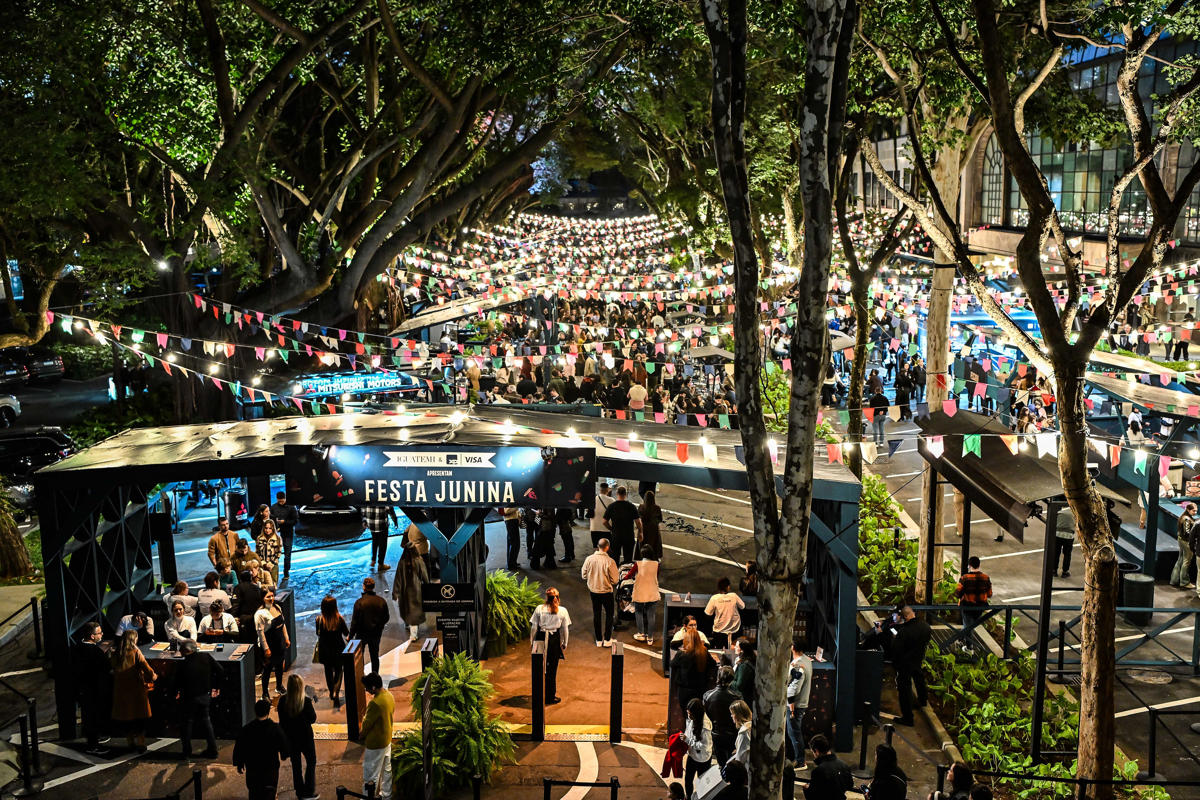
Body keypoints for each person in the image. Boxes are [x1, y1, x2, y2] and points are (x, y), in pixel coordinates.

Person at [173, 639, 222, 759]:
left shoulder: (182, 664)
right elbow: (220, 670)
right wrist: (216, 686)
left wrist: (175, 693)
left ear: (186, 651)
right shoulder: (206, 657)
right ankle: (213, 750)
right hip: (204, 695)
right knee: (206, 722)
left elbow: (176, 682)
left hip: (188, 698)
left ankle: (186, 752)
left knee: (186, 724)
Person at [232, 698, 290, 800]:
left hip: (253, 768)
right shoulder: (275, 728)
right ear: (268, 712)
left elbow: (239, 748)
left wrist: (239, 763)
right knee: (269, 792)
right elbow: (284, 745)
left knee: (254, 792)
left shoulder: (247, 729)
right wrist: (284, 755)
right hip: (270, 769)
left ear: (255, 712)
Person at [110, 630, 156, 752]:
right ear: (134, 639)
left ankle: (130, 741)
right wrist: (153, 676)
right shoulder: (135, 652)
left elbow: (113, 668)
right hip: (136, 689)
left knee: (127, 717)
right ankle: (141, 743)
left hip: (121, 690)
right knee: (140, 717)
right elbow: (145, 666)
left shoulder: (116, 652)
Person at [277, 674, 318, 800]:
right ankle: (309, 790)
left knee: (296, 765)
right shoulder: (305, 701)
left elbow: (282, 722)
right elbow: (313, 719)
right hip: (306, 738)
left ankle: (300, 791)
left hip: (291, 739)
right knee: (311, 761)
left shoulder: (283, 701)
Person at [74, 622, 113, 755]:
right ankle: (93, 745)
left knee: (87, 716)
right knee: (94, 717)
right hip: (95, 690)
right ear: (92, 636)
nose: (102, 634)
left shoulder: (77, 647)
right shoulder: (96, 652)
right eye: (99, 633)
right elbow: (107, 668)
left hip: (83, 689)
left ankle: (93, 739)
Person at [891, 606, 931, 726]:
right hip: (918, 658)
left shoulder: (904, 631)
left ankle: (908, 717)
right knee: (919, 678)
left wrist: (895, 639)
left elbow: (896, 649)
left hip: (905, 663)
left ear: (905, 616)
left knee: (904, 688)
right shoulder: (925, 626)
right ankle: (923, 700)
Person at [530, 587, 571, 704]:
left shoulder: (539, 609)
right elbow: (565, 629)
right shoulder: (562, 611)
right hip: (554, 640)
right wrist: (565, 643)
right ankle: (550, 696)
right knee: (552, 669)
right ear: (558, 598)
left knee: (539, 667)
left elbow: (534, 627)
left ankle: (538, 694)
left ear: (546, 598)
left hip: (541, 638)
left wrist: (532, 642)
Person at [670, 628, 716, 724]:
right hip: (700, 690)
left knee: (687, 715)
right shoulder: (704, 652)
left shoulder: (682, 654)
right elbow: (713, 663)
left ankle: (689, 731)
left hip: (685, 690)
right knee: (699, 715)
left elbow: (672, 664)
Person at [359, 672, 394, 798]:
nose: (366, 690)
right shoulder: (389, 696)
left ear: (373, 687)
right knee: (386, 770)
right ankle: (386, 795)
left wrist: (361, 735)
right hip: (387, 739)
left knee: (371, 774)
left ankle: (368, 797)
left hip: (375, 744)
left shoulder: (375, 703)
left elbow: (367, 724)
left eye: (367, 688)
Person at [581, 539, 619, 646]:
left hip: (594, 591)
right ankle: (607, 639)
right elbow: (615, 580)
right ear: (607, 547)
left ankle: (598, 640)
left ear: (598, 546)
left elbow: (583, 575)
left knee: (596, 614)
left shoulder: (589, 559)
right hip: (606, 592)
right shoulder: (610, 561)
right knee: (609, 614)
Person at [393, 533, 429, 642]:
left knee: (406, 610)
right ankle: (413, 635)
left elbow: (398, 577)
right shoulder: (418, 560)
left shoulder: (402, 562)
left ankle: (407, 624)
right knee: (414, 612)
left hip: (404, 591)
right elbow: (424, 575)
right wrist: (428, 586)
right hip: (416, 590)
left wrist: (395, 592)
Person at [255, 588, 291, 700]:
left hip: (279, 643)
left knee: (280, 666)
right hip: (269, 644)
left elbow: (283, 624)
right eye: (268, 597)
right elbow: (260, 633)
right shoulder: (260, 614)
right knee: (267, 669)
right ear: (263, 598)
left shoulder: (277, 607)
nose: (271, 598)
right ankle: (265, 693)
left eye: (272, 596)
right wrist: (266, 649)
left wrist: (286, 638)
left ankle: (279, 686)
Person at [350, 577, 390, 676]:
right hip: (376, 633)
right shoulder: (381, 601)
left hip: (361, 633)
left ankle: (361, 676)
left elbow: (354, 622)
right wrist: (379, 626)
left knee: (359, 656)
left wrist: (350, 635)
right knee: (374, 656)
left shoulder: (359, 602)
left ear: (364, 587)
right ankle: (375, 677)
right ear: (373, 587)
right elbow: (386, 617)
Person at [316, 595, 350, 708]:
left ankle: (331, 691)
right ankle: (336, 691)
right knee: (339, 672)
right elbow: (346, 633)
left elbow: (318, 633)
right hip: (338, 649)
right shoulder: (339, 619)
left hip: (325, 650)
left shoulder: (319, 620)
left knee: (328, 671)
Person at [954, 557, 992, 650]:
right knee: (969, 626)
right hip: (980, 607)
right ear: (979, 565)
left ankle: (969, 648)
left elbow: (957, 594)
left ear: (969, 566)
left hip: (967, 606)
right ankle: (959, 640)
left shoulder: (964, 578)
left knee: (968, 627)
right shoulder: (986, 578)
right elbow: (990, 594)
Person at [787, 637, 814, 768]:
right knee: (793, 732)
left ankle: (800, 762)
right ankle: (793, 756)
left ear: (793, 647)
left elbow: (794, 689)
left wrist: (784, 692)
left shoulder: (798, 665)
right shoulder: (806, 660)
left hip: (795, 705)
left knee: (794, 734)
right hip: (801, 703)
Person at [682, 697, 713, 799]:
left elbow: (704, 746)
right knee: (688, 779)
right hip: (692, 755)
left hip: (702, 759)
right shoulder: (692, 719)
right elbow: (689, 731)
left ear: (697, 713)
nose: (689, 716)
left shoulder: (705, 726)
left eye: (690, 714)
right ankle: (689, 797)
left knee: (702, 783)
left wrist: (688, 741)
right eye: (688, 713)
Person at [805, 734, 852, 800]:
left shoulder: (818, 771)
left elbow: (813, 797)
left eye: (813, 752)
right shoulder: (844, 765)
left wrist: (806, 789)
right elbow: (850, 785)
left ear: (816, 751)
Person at [603, 486, 642, 565]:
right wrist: (640, 532)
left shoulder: (612, 506)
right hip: (628, 536)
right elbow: (638, 522)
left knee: (615, 558)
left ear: (617, 493)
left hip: (616, 535)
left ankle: (615, 571)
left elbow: (604, 521)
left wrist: (611, 529)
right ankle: (625, 571)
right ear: (625, 494)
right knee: (628, 559)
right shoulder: (631, 506)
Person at [704, 577, 745, 649]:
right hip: (735, 630)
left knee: (719, 651)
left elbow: (708, 613)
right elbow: (743, 606)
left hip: (719, 631)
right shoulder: (734, 596)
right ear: (728, 587)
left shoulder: (714, 598)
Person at [632, 545, 661, 645]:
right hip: (652, 591)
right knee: (651, 615)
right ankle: (650, 637)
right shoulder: (656, 564)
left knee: (639, 612)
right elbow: (656, 575)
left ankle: (641, 633)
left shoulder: (638, 564)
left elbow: (630, 574)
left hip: (640, 591)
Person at [270, 492, 299, 582]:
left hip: (287, 532)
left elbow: (295, 521)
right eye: (279, 501)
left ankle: (286, 572)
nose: (281, 503)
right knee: (273, 553)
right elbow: (271, 519)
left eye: (282, 501)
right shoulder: (273, 507)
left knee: (287, 553)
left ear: (285, 499)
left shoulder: (291, 507)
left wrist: (284, 522)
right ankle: (272, 572)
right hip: (275, 534)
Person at [362, 502, 398, 571]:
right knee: (383, 544)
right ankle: (381, 564)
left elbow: (363, 508)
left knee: (375, 541)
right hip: (382, 525)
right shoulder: (383, 497)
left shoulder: (368, 496)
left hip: (371, 524)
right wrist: (395, 520)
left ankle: (373, 560)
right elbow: (390, 509)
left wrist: (364, 521)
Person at [1171, 502, 1197, 589]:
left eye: (1196, 511)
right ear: (1188, 510)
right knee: (1186, 561)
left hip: (1181, 540)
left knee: (1180, 560)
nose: (1195, 512)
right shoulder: (1187, 519)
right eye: (1193, 511)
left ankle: (1174, 580)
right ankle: (1184, 582)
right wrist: (1193, 539)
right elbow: (1187, 532)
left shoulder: (1184, 517)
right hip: (1186, 542)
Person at [256, 519, 283, 586]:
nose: (267, 530)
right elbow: (258, 553)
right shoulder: (259, 538)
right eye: (266, 528)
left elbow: (278, 553)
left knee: (273, 586)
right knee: (263, 585)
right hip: (262, 565)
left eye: (270, 528)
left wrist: (271, 564)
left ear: (273, 528)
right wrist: (264, 564)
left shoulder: (277, 538)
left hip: (273, 565)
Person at [638, 490, 664, 561]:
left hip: (644, 528)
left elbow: (639, 518)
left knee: (643, 543)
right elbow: (660, 519)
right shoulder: (657, 508)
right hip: (653, 529)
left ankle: (642, 557)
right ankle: (655, 557)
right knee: (654, 544)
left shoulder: (641, 507)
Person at [1053, 507, 1077, 579]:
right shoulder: (1074, 513)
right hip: (1069, 536)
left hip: (1057, 535)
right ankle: (1065, 572)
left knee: (1056, 553)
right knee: (1067, 554)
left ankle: (1054, 570)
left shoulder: (1059, 512)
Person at [728, 699, 752, 766]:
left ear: (738, 715)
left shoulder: (744, 732)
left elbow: (741, 758)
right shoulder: (752, 724)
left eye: (732, 713)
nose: (731, 716)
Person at [591, 482, 614, 550]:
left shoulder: (593, 499)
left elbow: (588, 512)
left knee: (597, 548)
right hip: (606, 529)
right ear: (607, 490)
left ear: (600, 489)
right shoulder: (611, 500)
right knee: (607, 549)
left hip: (594, 528)